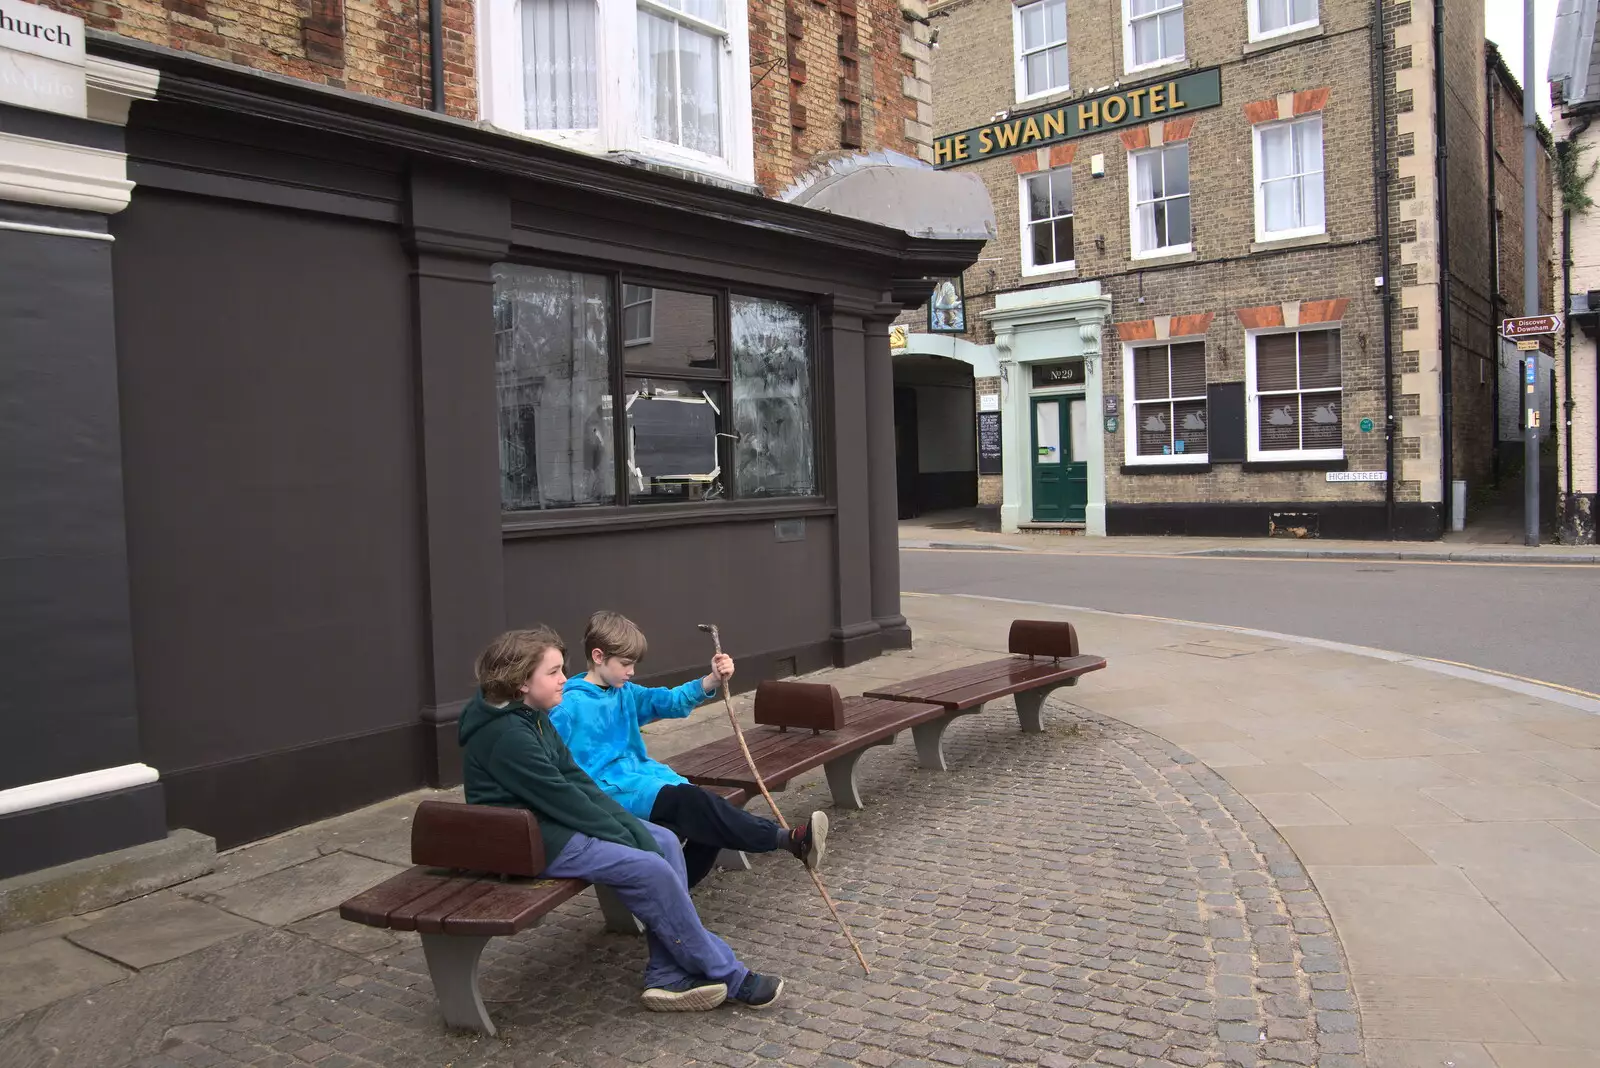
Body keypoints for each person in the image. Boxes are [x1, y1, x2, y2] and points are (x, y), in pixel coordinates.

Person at [459, 626, 783, 1012]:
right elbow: (566, 802)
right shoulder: (507, 736)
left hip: (552, 821)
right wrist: (631, 836)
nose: (565, 678)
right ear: (520, 682)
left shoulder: (531, 713)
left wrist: (636, 832)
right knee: (650, 865)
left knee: (662, 841)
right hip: (529, 841)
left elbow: (576, 781)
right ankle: (729, 976)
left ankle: (667, 974)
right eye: (553, 672)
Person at [552, 611, 828, 889]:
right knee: (697, 805)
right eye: (625, 664)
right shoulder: (567, 707)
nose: (631, 671)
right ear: (598, 656)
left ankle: (670, 901)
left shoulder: (624, 691)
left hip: (647, 783)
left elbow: (670, 701)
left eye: (633, 664)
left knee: (708, 828)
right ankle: (788, 840)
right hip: (613, 796)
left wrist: (712, 680)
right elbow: (547, 765)